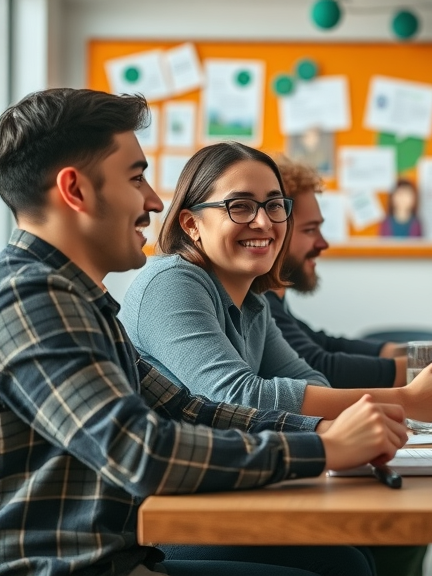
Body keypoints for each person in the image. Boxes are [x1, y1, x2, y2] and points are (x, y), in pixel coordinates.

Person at [0, 88, 405, 576]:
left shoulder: (81, 301)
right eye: (136, 178)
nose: (155, 201)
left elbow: (188, 409)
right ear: (76, 190)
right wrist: (323, 448)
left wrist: (322, 430)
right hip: (78, 569)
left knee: (344, 563)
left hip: (120, 557)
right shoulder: (30, 298)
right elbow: (141, 450)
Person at [119, 142, 432, 424]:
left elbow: (310, 376)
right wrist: (406, 399)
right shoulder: (171, 283)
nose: (264, 222)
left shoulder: (254, 302)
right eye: (240, 206)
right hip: (169, 504)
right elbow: (238, 397)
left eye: (274, 205)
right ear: (191, 224)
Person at [269, 156, 432, 390]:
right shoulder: (261, 304)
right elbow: (321, 366)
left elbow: (326, 344)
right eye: (310, 230)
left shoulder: (274, 302)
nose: (323, 243)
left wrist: (429, 352)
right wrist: (430, 363)